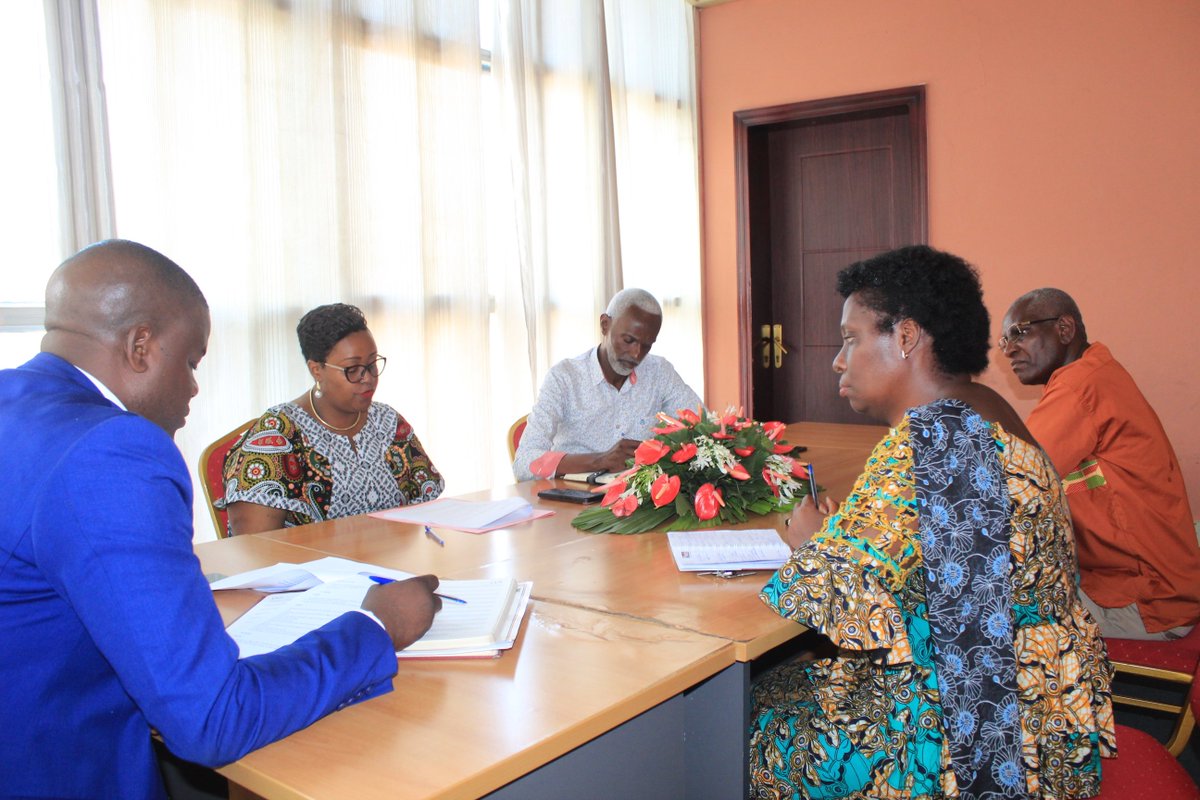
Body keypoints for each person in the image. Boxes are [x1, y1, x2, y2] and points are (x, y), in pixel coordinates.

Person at [0, 241, 443, 799]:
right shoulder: (112, 452)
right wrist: (378, 626)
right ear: (140, 346)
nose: (192, 388)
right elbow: (212, 719)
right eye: (190, 361)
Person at [750, 246, 1114, 799]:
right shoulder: (986, 410)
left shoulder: (929, 442)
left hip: (975, 748)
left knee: (743, 713)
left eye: (851, 338)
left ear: (905, 337)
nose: (838, 361)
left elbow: (834, 598)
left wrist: (812, 541)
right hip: (1043, 715)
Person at [1000, 288, 1200, 640]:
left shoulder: (1080, 386)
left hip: (1144, 600)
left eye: (1020, 332)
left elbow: (1006, 481)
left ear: (1064, 329)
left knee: (983, 622)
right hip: (1143, 582)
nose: (1010, 349)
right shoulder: (1094, 372)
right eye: (1004, 341)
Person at [220, 303, 444, 536]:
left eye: (372, 364)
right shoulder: (278, 435)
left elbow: (426, 513)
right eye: (352, 369)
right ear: (317, 370)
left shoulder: (388, 423)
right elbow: (255, 546)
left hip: (392, 567)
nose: (368, 378)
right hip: (313, 570)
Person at [512, 288, 701, 481]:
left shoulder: (660, 372)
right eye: (628, 340)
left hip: (641, 502)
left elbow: (703, 429)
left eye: (647, 345)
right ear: (605, 325)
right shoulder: (565, 377)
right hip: (573, 500)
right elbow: (525, 462)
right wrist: (600, 460)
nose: (637, 354)